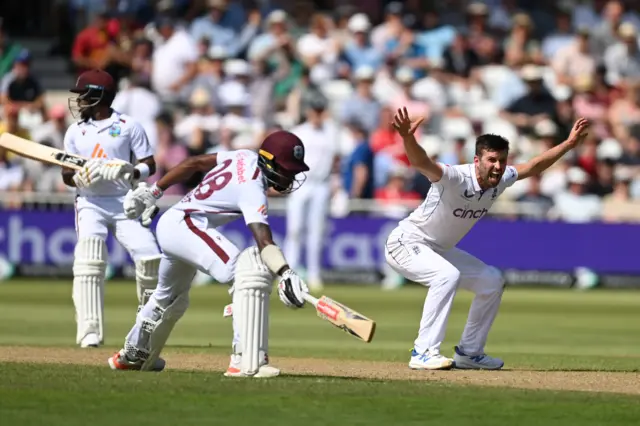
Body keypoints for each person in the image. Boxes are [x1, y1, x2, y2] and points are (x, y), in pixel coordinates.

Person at [384, 107, 589, 370]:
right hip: (406, 243)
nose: (498, 166)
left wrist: (569, 144)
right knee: (446, 276)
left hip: (439, 248)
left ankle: (469, 353)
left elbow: (534, 166)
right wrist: (408, 139)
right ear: (477, 160)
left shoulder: (502, 178)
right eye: (491, 160)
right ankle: (423, 352)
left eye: (502, 160)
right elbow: (421, 162)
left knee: (491, 280)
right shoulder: (455, 177)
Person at [107, 131, 311, 376]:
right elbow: (264, 241)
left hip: (177, 221)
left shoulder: (243, 156)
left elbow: (193, 163)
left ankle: (132, 354)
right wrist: (286, 273)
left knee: (168, 296)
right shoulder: (253, 188)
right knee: (246, 271)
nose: (291, 176)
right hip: (186, 224)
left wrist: (156, 191)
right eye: (288, 169)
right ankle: (244, 357)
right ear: (268, 161)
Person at [61, 69, 161, 348]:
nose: (79, 100)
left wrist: (131, 171)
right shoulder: (75, 131)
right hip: (90, 202)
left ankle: (147, 328)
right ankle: (89, 330)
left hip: (123, 202)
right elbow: (65, 173)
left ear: (99, 95)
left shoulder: (129, 125)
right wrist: (76, 177)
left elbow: (149, 164)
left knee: (151, 258)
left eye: (83, 94)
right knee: (89, 257)